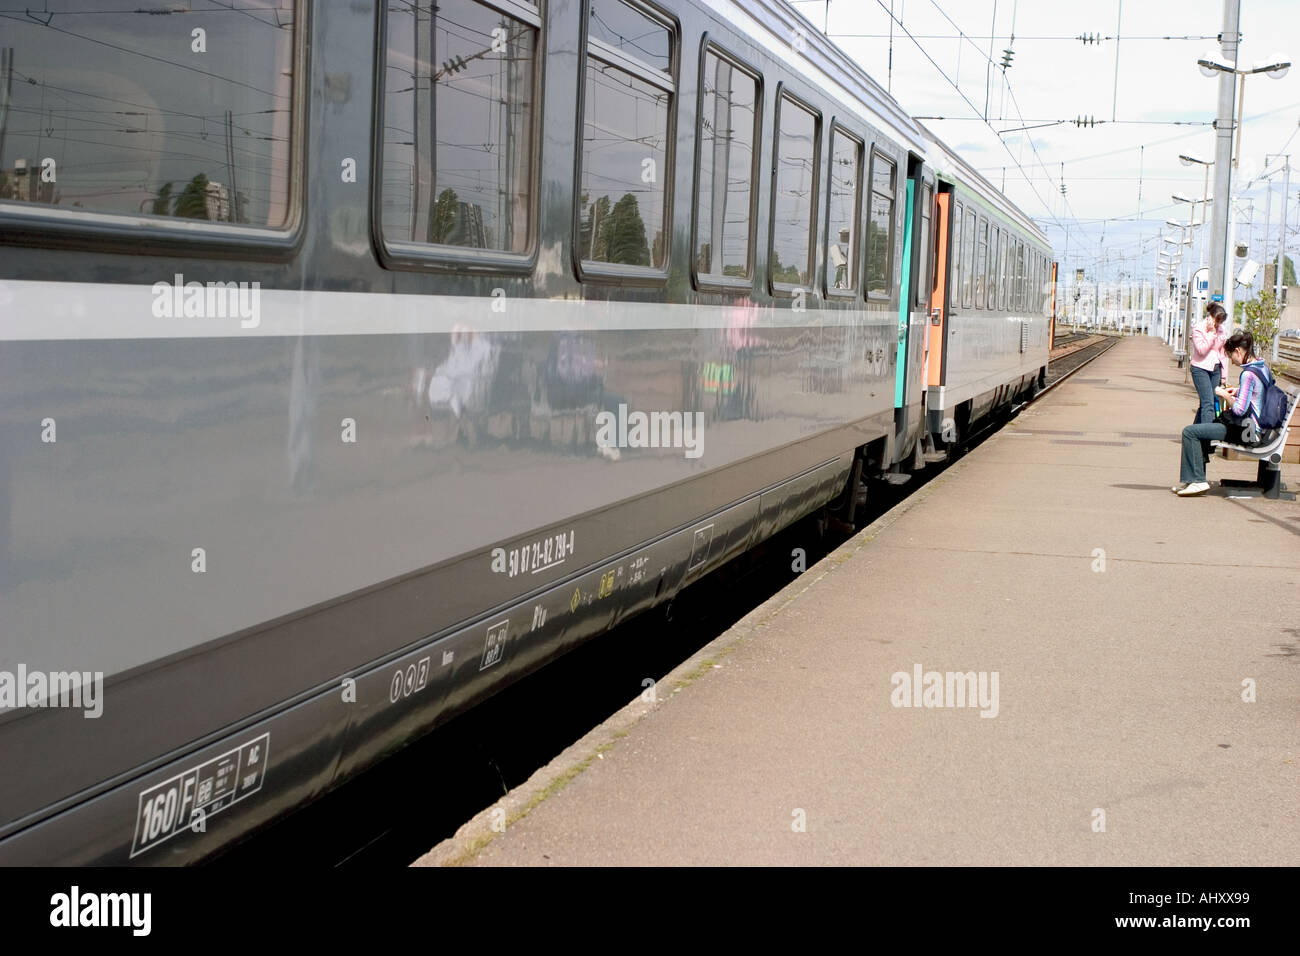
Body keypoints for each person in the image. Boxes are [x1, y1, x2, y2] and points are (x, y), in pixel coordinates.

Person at [1173, 330, 1275, 496]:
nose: (1232, 362)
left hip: (1247, 431)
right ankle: (1193, 480)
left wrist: (1224, 395)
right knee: (1202, 429)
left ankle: (1197, 480)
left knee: (1190, 432)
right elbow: (1258, 393)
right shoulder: (1262, 367)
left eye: (1230, 356)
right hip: (1257, 428)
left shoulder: (1247, 374)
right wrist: (1238, 391)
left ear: (1238, 351)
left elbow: (1239, 410)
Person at [1189, 302, 1228, 431]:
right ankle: (1207, 438)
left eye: (1220, 322)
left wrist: (1224, 375)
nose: (1218, 325)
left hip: (1216, 369)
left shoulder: (1221, 330)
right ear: (1210, 316)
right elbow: (1201, 350)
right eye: (1216, 321)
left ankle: (1193, 433)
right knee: (1208, 404)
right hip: (1200, 368)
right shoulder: (1198, 328)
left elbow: (1223, 353)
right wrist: (1211, 333)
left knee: (1205, 404)